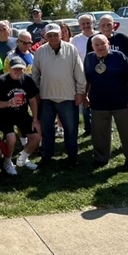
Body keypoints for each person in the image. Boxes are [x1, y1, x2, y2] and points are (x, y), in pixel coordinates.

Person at [32, 23, 86, 166]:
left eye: (55, 35)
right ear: (45, 37)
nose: (53, 38)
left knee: (71, 129)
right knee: (47, 129)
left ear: (61, 34)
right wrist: (36, 93)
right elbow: (35, 75)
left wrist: (80, 92)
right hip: (46, 97)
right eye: (49, 35)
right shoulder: (40, 52)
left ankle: (72, 156)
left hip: (68, 96)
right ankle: (46, 156)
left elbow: (79, 73)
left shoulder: (71, 49)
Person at [84, 34, 128, 169]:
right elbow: (87, 80)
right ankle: (101, 158)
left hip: (121, 101)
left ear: (108, 44)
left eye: (103, 44)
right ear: (92, 46)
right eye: (96, 45)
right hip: (98, 102)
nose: (100, 47)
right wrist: (85, 95)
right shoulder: (89, 58)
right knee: (99, 133)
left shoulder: (119, 56)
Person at [0, 57, 40, 172]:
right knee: (11, 138)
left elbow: (32, 99)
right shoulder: (2, 81)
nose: (18, 71)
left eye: (20, 69)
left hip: (22, 113)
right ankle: (7, 162)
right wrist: (9, 103)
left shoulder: (27, 79)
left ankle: (22, 159)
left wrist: (35, 119)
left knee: (36, 137)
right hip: (5, 114)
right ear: (10, 69)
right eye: (15, 69)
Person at [71, 14, 96, 137]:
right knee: (85, 102)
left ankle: (103, 126)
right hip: (83, 75)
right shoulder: (76, 40)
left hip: (99, 74)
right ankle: (88, 127)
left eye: (88, 23)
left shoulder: (99, 36)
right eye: (83, 24)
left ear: (93, 23)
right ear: (80, 25)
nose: (86, 26)